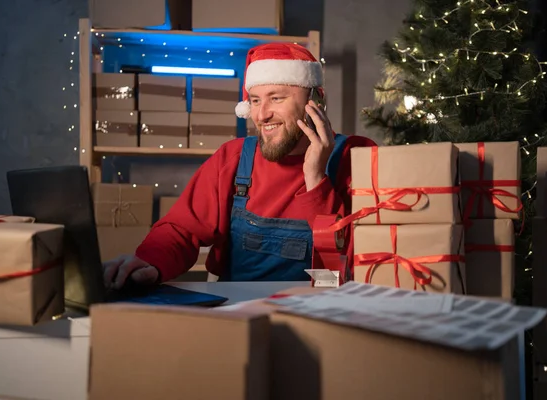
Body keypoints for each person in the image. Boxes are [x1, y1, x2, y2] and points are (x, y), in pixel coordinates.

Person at [102, 42, 376, 289]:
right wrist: (150, 263)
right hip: (238, 313)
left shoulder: (356, 156)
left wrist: (316, 179)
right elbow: (181, 229)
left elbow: (355, 262)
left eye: (276, 98)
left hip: (324, 311)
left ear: (314, 101)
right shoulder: (233, 158)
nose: (262, 114)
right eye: (255, 100)